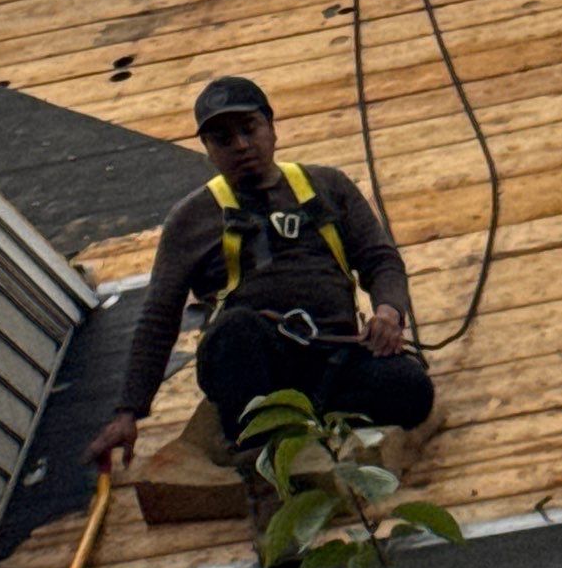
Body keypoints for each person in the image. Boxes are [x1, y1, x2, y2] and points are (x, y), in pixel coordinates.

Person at [85, 75, 434, 470]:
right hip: (255, 365)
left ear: (272, 128)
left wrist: (388, 312)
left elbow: (380, 259)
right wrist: (128, 412)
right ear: (208, 150)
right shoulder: (192, 219)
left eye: (249, 129)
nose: (241, 146)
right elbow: (159, 317)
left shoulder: (327, 187)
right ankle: (264, 446)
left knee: (411, 390)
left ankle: (311, 425)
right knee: (235, 332)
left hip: (333, 355)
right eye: (223, 139)